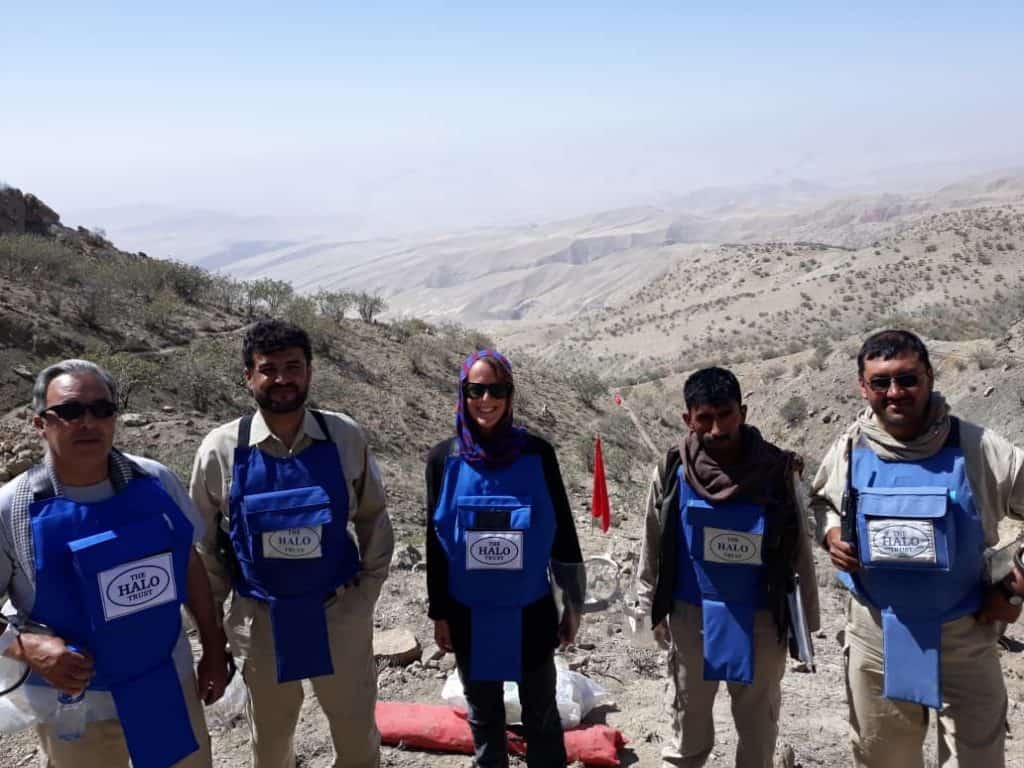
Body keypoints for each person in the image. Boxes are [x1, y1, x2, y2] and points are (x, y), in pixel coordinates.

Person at [0, 359, 228, 768]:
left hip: (166, 686)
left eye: (101, 410)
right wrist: (25, 646)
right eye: (70, 412)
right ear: (40, 423)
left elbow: (188, 565)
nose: (87, 422)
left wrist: (213, 646)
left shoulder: (155, 481)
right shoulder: (12, 508)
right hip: (75, 707)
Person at [811, 329, 1024, 768]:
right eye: (881, 382)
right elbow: (821, 503)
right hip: (875, 637)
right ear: (863, 387)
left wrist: (1017, 581)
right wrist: (832, 534)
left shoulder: (978, 448)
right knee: (882, 759)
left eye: (908, 380)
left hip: (963, 635)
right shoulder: (852, 446)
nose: (895, 393)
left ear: (929, 377)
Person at [190, 318, 393, 768]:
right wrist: (213, 632)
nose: (282, 378)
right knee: (272, 741)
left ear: (309, 371)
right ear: (248, 376)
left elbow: (373, 517)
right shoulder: (220, 450)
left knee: (357, 738)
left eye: (293, 366)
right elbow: (203, 550)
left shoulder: (343, 436)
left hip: (338, 614)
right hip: (261, 623)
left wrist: (365, 596)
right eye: (269, 368)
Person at [636, 366, 819, 768]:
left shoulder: (776, 471)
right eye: (704, 418)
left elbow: (799, 546)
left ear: (744, 412)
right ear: (688, 419)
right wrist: (646, 603)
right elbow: (653, 539)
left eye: (726, 415)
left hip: (761, 621)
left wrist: (806, 620)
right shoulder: (672, 471)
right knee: (688, 725)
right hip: (690, 619)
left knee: (758, 729)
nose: (717, 429)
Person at [426, 349, 585, 768]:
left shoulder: (537, 454)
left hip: (530, 609)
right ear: (463, 393)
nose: (486, 399)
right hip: (467, 612)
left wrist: (572, 604)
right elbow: (435, 542)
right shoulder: (443, 460)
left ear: (511, 395)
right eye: (476, 389)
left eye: (497, 389)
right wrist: (439, 613)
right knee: (483, 716)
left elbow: (562, 533)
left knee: (542, 715)